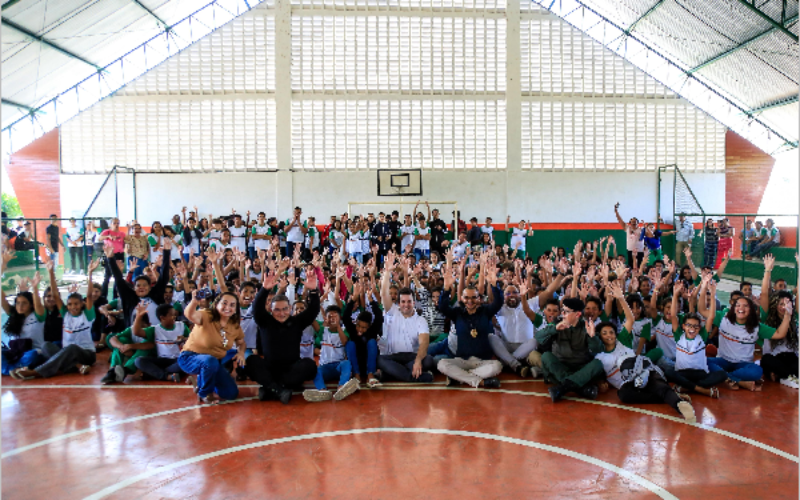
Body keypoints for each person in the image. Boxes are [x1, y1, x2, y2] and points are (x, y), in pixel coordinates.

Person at [589, 306, 697, 423]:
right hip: (629, 384)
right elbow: (598, 374)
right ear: (599, 336)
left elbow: (630, 319)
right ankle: (669, 397)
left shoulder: (622, 340)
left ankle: (679, 404)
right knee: (624, 395)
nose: (609, 335)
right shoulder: (599, 356)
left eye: (611, 332)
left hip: (644, 371)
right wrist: (600, 382)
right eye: (604, 333)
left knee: (657, 384)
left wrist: (620, 298)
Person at [698, 275, 793, 391]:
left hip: (742, 364)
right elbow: (702, 310)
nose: (741, 308)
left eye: (745, 306)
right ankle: (738, 381)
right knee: (701, 361)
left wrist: (787, 315)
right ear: (733, 308)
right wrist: (703, 288)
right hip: (722, 360)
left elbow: (780, 334)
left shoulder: (757, 327)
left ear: (751, 310)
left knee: (757, 371)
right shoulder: (723, 317)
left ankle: (726, 377)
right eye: (737, 305)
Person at [12, 259, 99, 380]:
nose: (73, 307)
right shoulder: (65, 314)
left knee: (72, 347)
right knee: (46, 346)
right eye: (70, 304)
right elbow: (55, 294)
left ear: (82, 305)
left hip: (87, 354)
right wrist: (51, 272)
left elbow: (89, 296)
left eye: (76, 304)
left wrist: (89, 273)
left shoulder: (87, 316)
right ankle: (77, 366)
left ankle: (36, 372)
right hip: (68, 354)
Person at [245, 270, 320, 404]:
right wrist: (265, 289)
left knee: (310, 365)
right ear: (271, 310)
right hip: (270, 369)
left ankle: (270, 388)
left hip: (291, 370)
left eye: (285, 309)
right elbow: (257, 308)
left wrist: (314, 291)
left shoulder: (297, 322)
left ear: (290, 308)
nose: (281, 313)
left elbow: (313, 310)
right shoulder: (264, 321)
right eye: (277, 310)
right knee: (250, 361)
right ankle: (279, 390)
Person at [436, 256, 503, 388]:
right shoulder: (457, 313)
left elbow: (498, 302)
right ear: (461, 298)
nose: (470, 301)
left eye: (473, 298)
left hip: (482, 361)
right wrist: (446, 288)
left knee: (497, 366)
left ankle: (460, 377)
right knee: (441, 364)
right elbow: (442, 307)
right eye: (466, 298)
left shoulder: (486, 311)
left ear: (479, 298)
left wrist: (494, 285)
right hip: (462, 360)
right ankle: (478, 381)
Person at [179, 290, 246, 404]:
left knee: (231, 394)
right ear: (216, 304)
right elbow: (189, 314)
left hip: (214, 363)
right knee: (210, 361)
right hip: (190, 357)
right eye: (224, 303)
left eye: (232, 305)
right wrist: (195, 301)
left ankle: (200, 381)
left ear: (235, 309)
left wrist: (241, 353)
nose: (228, 307)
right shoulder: (206, 315)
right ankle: (204, 393)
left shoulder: (234, 326)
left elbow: (241, 342)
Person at [377, 252, 436, 382]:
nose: (406, 305)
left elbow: (424, 343)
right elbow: (384, 294)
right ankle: (413, 377)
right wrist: (387, 272)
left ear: (414, 302)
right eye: (403, 302)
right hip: (393, 357)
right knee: (380, 360)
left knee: (428, 360)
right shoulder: (392, 311)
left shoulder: (420, 320)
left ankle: (393, 374)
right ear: (399, 303)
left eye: (409, 301)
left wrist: (417, 361)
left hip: (411, 357)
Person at [536, 297, 605, 401]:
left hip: (580, 368)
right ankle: (581, 388)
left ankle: (562, 388)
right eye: (562, 311)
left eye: (566, 312)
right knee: (546, 356)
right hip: (560, 367)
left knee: (597, 364)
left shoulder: (586, 327)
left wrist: (592, 337)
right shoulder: (557, 323)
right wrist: (554, 329)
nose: (562, 314)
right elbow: (539, 337)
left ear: (577, 314)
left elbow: (598, 349)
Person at [100, 239, 172, 328]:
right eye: (138, 285)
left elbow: (163, 277)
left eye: (144, 285)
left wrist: (167, 252)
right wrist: (110, 258)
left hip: (156, 336)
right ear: (134, 287)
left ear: (150, 287)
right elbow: (118, 279)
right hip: (134, 337)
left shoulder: (156, 295)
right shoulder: (129, 298)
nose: (141, 287)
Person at [302, 305, 361, 402]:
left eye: (335, 317)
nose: (332, 319)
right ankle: (322, 391)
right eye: (329, 317)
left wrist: (337, 327)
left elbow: (345, 342)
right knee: (316, 370)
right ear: (326, 318)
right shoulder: (322, 330)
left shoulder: (344, 330)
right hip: (325, 366)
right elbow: (312, 320)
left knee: (346, 364)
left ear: (339, 318)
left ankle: (341, 388)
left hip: (338, 365)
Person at [134, 303, 192, 382]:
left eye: (174, 314)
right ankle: (167, 376)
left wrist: (184, 339)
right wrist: (139, 316)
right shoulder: (155, 329)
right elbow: (137, 332)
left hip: (178, 360)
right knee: (139, 361)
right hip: (161, 360)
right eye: (171, 315)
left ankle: (155, 373)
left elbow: (192, 340)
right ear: (162, 318)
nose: (174, 317)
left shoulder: (182, 326)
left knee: (186, 363)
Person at [343, 284, 383, 387]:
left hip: (370, 362)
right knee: (350, 343)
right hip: (357, 362)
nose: (360, 329)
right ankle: (357, 376)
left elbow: (379, 316)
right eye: (358, 325)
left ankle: (370, 376)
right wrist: (353, 299)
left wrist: (371, 300)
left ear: (369, 327)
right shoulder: (353, 330)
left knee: (372, 342)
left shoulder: (372, 331)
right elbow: (345, 317)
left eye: (364, 327)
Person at [614, 203, 644, 267]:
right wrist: (616, 211)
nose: (634, 222)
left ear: (638, 223)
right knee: (631, 266)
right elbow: (620, 220)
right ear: (630, 223)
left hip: (640, 251)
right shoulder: (627, 228)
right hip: (630, 250)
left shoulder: (641, 229)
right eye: (632, 222)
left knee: (639, 266)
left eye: (635, 222)